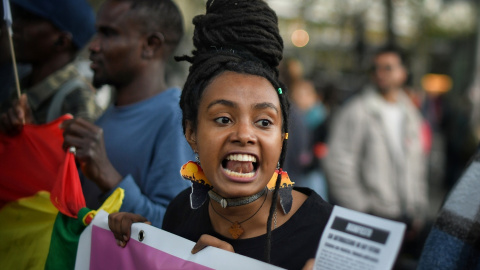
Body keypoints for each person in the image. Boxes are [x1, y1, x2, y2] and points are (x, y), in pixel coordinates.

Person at [108, 0, 333, 269]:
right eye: (224, 119)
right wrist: (142, 248)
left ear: (282, 135)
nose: (244, 135)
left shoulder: (328, 234)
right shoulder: (179, 215)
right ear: (191, 132)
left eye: (263, 122)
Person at [61, 0, 193, 228]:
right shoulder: (108, 115)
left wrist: (108, 178)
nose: (94, 46)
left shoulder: (175, 118)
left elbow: (174, 228)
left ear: (151, 45)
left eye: (108, 34)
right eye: (97, 33)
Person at [323, 46, 429, 261]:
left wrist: (419, 208)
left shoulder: (411, 114)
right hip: (372, 218)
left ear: (403, 73)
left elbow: (417, 165)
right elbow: (338, 164)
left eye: (388, 68)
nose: (380, 73)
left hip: (407, 219)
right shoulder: (356, 111)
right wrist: (362, 210)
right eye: (376, 68)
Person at [0, 0, 101, 135]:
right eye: (18, 16)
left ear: (61, 42)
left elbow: (78, 155)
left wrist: (31, 135)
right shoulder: (20, 85)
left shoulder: (77, 99)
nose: (16, 26)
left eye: (29, 19)